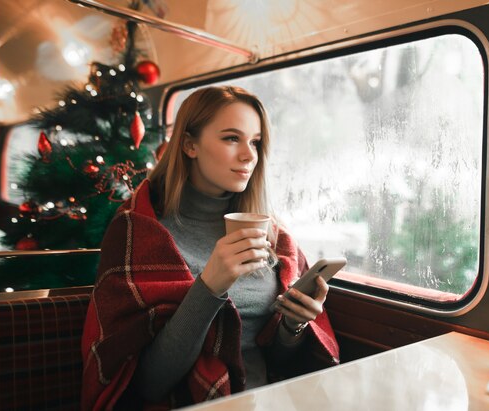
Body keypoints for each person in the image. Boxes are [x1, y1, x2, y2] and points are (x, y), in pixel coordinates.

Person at [81, 86, 340, 410]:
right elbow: (147, 385)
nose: (249, 155)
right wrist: (209, 286)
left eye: (255, 142)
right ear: (190, 144)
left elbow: (278, 362)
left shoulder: (273, 235)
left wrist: (293, 326)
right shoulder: (137, 229)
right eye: (232, 138)